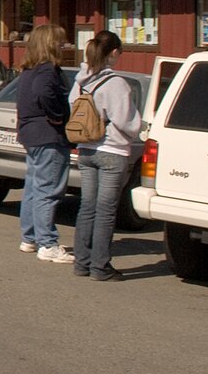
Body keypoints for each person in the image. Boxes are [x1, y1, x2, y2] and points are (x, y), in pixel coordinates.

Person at [69, 30, 140, 281]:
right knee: (106, 211)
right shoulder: (116, 84)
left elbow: (72, 107)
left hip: (86, 150)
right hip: (112, 151)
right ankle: (100, 267)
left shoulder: (80, 82)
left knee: (87, 207)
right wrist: (138, 129)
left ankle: (81, 262)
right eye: (120, 52)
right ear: (113, 52)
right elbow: (127, 122)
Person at [16, 23, 74, 263]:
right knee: (48, 190)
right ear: (51, 44)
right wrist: (58, 115)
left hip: (31, 133)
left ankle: (30, 237)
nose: (65, 46)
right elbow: (44, 93)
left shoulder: (28, 70)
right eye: (60, 42)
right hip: (48, 134)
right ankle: (47, 243)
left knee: (33, 186)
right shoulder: (47, 70)